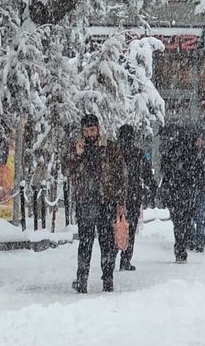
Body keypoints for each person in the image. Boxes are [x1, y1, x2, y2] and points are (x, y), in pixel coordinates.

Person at [64, 114, 127, 293]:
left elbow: (121, 175)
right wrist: (76, 156)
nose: (89, 134)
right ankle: (82, 280)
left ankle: (108, 278)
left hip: (106, 202)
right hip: (85, 202)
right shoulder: (77, 148)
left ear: (98, 129)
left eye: (92, 130)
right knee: (85, 242)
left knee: (107, 242)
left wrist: (120, 202)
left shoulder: (109, 147)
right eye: (86, 131)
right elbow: (66, 171)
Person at [160, 126, 203, 263]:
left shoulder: (170, 151)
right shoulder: (192, 154)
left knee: (178, 222)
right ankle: (183, 244)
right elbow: (198, 174)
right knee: (185, 220)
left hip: (173, 192)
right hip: (187, 193)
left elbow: (165, 172)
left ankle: (180, 247)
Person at [117, 124, 157, 271]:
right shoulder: (138, 153)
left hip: (117, 196)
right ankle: (125, 258)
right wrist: (152, 188)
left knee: (116, 227)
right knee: (131, 228)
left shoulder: (115, 152)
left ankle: (111, 256)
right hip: (133, 195)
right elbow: (147, 174)